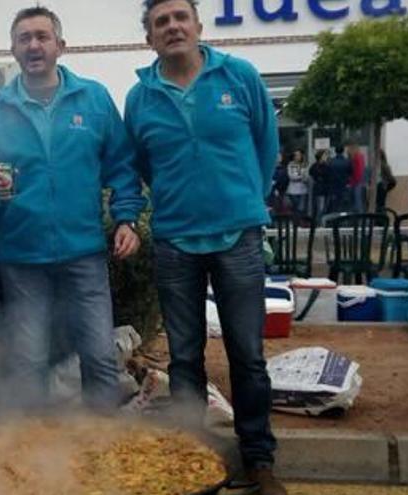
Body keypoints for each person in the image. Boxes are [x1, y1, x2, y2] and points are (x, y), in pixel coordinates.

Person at [124, 1, 285, 493]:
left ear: (198, 26)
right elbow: (142, 165)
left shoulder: (239, 77)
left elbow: (267, 146)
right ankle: (193, 459)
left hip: (238, 236)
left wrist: (245, 200)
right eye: (160, 22)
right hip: (175, 242)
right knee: (185, 357)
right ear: (150, 37)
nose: (172, 27)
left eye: (180, 17)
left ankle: (259, 459)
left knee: (247, 354)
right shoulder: (140, 97)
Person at [0, 6, 146, 411]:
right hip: (21, 257)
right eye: (24, 38)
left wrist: (127, 219)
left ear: (60, 46)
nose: (33, 45)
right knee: (29, 360)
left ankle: (101, 451)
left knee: (100, 358)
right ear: (13, 50)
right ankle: (39, 455)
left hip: (83, 253)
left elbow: (122, 166)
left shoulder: (94, 98)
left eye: (42, 36)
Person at [327, 145, 353, 217]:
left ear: (335, 151)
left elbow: (328, 173)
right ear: (343, 151)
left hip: (333, 187)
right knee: (344, 206)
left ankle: (334, 221)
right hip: (344, 186)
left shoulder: (331, 162)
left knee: (334, 206)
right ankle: (343, 221)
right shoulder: (347, 161)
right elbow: (351, 173)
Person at [309, 149, 333, 219]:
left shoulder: (316, 166)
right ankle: (319, 222)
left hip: (323, 189)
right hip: (321, 190)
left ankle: (320, 221)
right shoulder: (320, 166)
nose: (326, 157)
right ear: (321, 157)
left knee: (322, 207)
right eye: (325, 155)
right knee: (321, 208)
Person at [286, 150, 309, 217]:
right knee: (295, 207)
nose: (297, 156)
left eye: (299, 155)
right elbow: (291, 176)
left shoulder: (304, 165)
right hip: (293, 190)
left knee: (301, 208)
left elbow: (306, 177)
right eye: (296, 155)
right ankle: (296, 222)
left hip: (303, 190)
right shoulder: (291, 165)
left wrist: (301, 177)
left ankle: (300, 222)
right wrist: (301, 177)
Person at [346, 142, 367, 213]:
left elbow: (358, 171)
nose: (347, 150)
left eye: (348, 148)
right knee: (357, 202)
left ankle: (359, 219)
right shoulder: (359, 157)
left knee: (357, 202)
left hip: (356, 183)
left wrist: (353, 181)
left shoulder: (357, 157)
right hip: (357, 182)